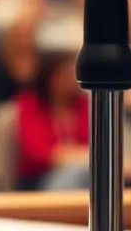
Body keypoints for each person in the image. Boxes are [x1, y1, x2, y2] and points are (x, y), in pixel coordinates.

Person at [15, 50, 92, 190]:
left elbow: (96, 144)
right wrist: (81, 156)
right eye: (66, 75)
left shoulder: (85, 105)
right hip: (39, 178)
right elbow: (39, 153)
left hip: (85, 172)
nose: (72, 80)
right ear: (50, 77)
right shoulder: (29, 104)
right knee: (73, 176)